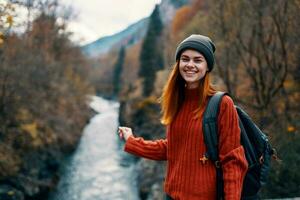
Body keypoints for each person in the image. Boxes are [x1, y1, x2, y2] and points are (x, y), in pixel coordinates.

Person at [118, 34, 248, 200]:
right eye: (185, 59)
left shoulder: (222, 104)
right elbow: (172, 148)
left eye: (198, 60)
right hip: (171, 196)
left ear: (207, 66)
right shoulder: (177, 100)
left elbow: (232, 161)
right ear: (178, 63)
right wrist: (132, 141)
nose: (190, 65)